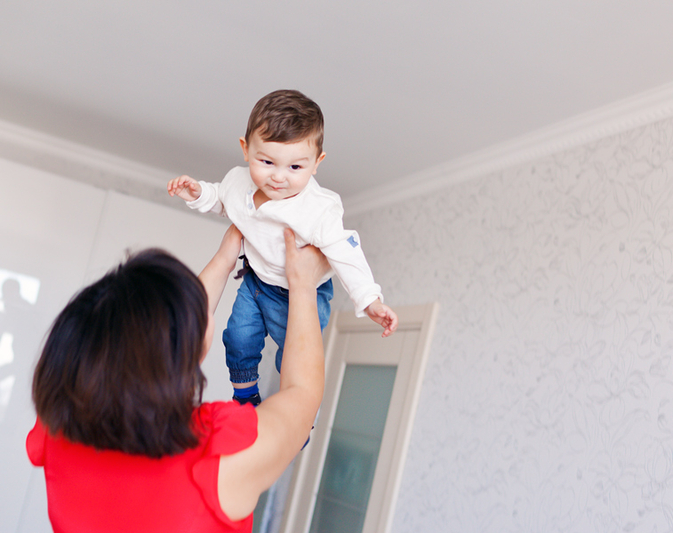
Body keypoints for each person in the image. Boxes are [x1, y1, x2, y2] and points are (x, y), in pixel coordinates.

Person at [27, 226, 329, 532]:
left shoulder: (59, 423)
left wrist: (224, 259)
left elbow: (168, 345)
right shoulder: (218, 453)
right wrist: (303, 285)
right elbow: (302, 394)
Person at [168, 89, 397, 406]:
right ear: (246, 149)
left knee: (294, 357)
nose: (278, 177)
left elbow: (345, 252)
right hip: (255, 281)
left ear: (316, 163)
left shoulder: (319, 209)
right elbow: (223, 200)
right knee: (237, 338)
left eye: (295, 168)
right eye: (266, 162)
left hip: (298, 295)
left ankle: (296, 411)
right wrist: (198, 194)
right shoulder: (238, 182)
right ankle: (245, 396)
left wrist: (369, 300)